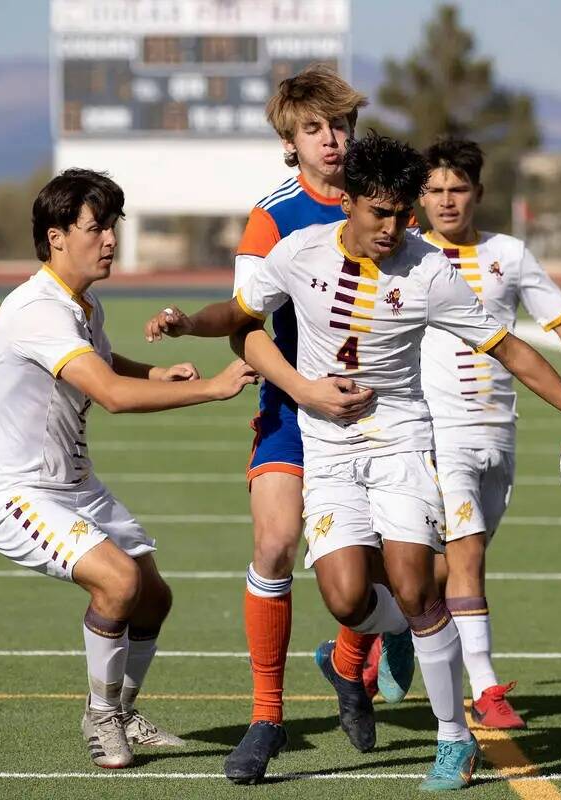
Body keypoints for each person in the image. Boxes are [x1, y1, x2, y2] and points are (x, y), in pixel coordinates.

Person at [145, 133, 561, 791]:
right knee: (347, 596)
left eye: (401, 214)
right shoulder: (300, 253)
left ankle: (452, 739)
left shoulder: (430, 271)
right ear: (350, 204)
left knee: (418, 587)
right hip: (328, 452)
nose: (394, 228)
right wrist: (188, 322)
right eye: (380, 213)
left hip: (402, 444)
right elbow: (242, 315)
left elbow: (511, 351)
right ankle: (395, 634)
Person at [0, 168, 257, 769]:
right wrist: (209, 388)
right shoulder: (37, 310)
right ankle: (101, 720)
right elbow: (111, 394)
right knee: (118, 582)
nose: (110, 240)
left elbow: (102, 361)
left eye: (112, 226)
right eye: (96, 228)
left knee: (153, 597)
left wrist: (155, 371)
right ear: (55, 237)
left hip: (75, 486)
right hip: (17, 494)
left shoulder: (81, 303)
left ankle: (122, 712)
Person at [370, 137, 561, 728]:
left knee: (450, 569)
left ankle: (388, 629)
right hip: (437, 431)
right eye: (434, 190)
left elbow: (559, 315)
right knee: (469, 557)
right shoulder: (401, 254)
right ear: (418, 197)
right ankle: (486, 691)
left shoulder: (511, 253)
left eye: (458, 189)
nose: (447, 201)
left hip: (499, 432)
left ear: (477, 193)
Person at [221, 64, 379, 785]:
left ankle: (350, 667)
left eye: (339, 125)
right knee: (277, 542)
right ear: (290, 140)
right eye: (313, 129)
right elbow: (245, 331)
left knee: (370, 567)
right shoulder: (273, 215)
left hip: (376, 414)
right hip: (291, 407)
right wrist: (303, 390)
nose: (331, 140)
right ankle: (266, 717)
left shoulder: (382, 199)